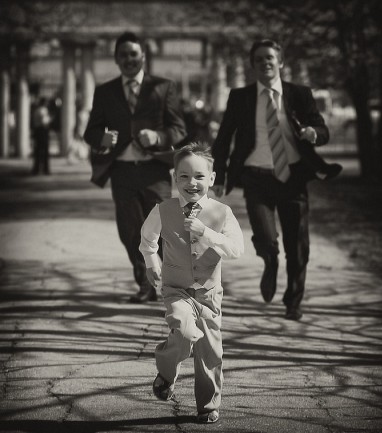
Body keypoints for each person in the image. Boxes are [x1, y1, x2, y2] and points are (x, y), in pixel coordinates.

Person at [212, 39, 342, 321]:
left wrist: (313, 133)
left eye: (270, 57)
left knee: (297, 247)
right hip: (256, 179)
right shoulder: (240, 97)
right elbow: (223, 139)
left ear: (280, 62)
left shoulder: (299, 94)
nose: (265, 62)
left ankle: (293, 301)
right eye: (259, 59)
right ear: (252, 65)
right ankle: (270, 262)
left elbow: (322, 129)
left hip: (293, 178)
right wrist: (219, 176)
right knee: (267, 239)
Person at [139, 142, 244, 423]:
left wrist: (206, 233)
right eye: (184, 176)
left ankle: (208, 406)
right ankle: (167, 371)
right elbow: (147, 240)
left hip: (209, 294)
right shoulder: (163, 210)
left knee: (210, 351)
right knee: (184, 332)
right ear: (175, 178)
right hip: (176, 290)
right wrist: (152, 263)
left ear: (212, 178)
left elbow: (236, 249)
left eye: (199, 176)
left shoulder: (222, 212)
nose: (191, 183)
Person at [84, 31, 186, 303]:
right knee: (131, 232)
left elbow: (178, 128)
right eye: (123, 55)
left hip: (155, 170)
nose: (129, 59)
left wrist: (158, 136)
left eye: (133, 54)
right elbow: (90, 132)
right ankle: (145, 284)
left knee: (162, 230)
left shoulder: (163, 87)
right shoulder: (105, 92)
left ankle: (169, 281)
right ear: (116, 59)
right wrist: (102, 138)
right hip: (122, 171)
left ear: (143, 56)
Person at [31, 97, 52, 175]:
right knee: (45, 151)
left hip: (37, 131)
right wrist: (50, 119)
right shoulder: (43, 110)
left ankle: (36, 169)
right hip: (42, 131)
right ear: (44, 103)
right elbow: (44, 121)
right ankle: (45, 169)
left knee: (37, 151)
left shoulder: (36, 110)